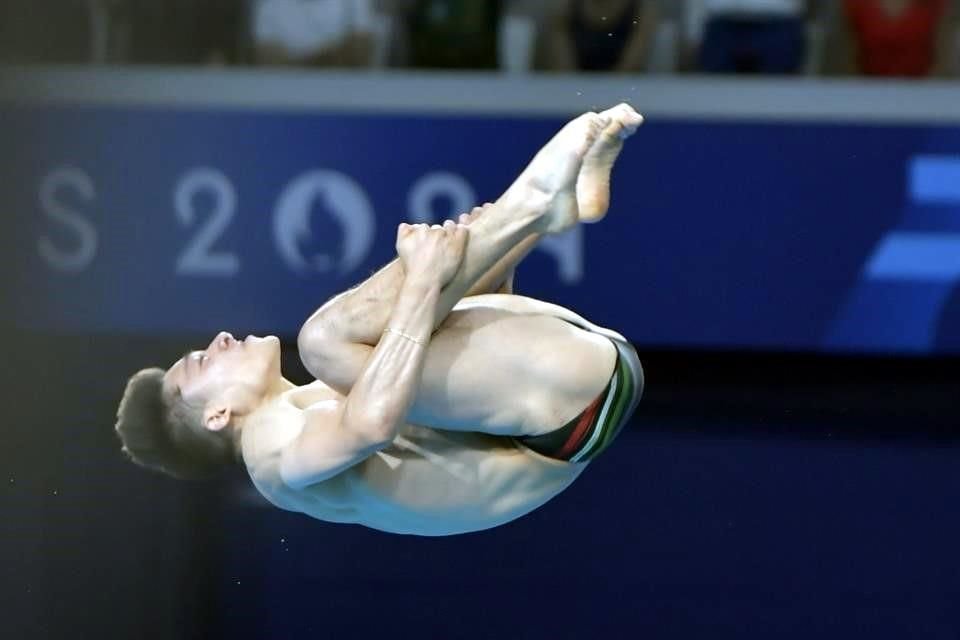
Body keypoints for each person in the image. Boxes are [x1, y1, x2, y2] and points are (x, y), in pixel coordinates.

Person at [115, 103, 646, 536]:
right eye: (203, 361)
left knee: (364, 347)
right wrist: (420, 280)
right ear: (217, 416)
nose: (220, 339)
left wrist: (490, 271)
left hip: (570, 402)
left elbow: (451, 406)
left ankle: (538, 220)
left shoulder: (312, 399)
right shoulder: (270, 457)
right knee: (325, 341)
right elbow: (371, 424)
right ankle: (531, 207)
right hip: (565, 418)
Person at [826, 0, 958, 77]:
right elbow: (844, 62)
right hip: (866, 93)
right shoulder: (853, 4)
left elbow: (944, 60)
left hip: (924, 94)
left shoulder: (939, 4)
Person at [544, 0, 658, 73]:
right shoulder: (565, 9)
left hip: (623, 84)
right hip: (576, 85)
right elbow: (564, 70)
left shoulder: (641, 10)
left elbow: (631, 67)